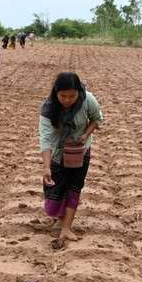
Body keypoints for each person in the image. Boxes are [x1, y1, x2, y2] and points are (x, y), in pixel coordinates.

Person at [39, 72, 104, 248]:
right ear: (56, 93)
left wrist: (84, 135)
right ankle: (60, 217)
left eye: (72, 96)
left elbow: (97, 119)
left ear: (78, 92)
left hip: (80, 151)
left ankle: (66, 227)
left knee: (74, 188)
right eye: (63, 96)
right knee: (53, 197)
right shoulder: (49, 107)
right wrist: (46, 167)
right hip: (58, 154)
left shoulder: (88, 100)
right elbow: (46, 138)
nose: (67, 100)